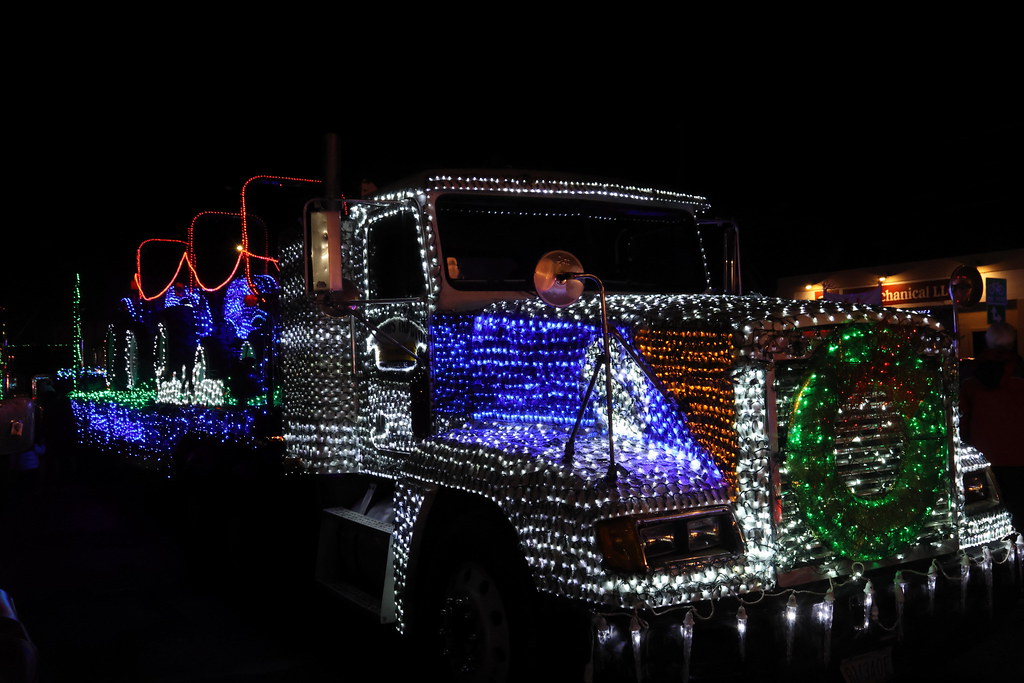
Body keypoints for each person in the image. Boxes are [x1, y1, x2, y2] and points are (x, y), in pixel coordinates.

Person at [959, 322, 1024, 525]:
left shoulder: (969, 374)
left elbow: (963, 415)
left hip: (981, 454)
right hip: (1019, 454)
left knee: (986, 511)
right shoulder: (1021, 371)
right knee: (1020, 508)